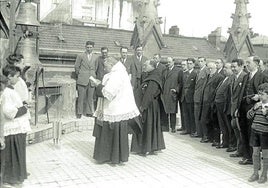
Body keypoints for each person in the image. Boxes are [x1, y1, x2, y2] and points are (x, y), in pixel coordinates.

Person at [92, 57, 140, 164]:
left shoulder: (116, 75)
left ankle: (108, 157)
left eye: (105, 66)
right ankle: (115, 156)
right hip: (117, 109)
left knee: (109, 134)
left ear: (111, 65)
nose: (104, 69)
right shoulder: (120, 72)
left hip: (114, 109)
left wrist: (98, 85)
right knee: (116, 135)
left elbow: (109, 93)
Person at [1, 66, 31, 186]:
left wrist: (22, 105)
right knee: (13, 154)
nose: (18, 79)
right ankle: (12, 178)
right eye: (17, 76)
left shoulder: (10, 89)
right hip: (13, 128)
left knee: (18, 153)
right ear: (9, 77)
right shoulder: (7, 92)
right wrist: (24, 109)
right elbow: (8, 111)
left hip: (18, 127)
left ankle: (17, 176)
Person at [131, 60, 166, 155]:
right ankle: (150, 147)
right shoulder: (150, 76)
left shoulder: (154, 78)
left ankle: (145, 148)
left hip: (149, 107)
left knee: (147, 126)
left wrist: (142, 107)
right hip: (149, 106)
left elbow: (149, 94)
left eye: (146, 65)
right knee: (149, 126)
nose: (144, 66)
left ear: (152, 66)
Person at [238, 56, 268, 165]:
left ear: (256, 63)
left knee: (253, 134)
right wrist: (238, 108)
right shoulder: (246, 76)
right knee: (244, 132)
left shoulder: (263, 76)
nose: (246, 64)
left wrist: (258, 97)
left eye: (248, 62)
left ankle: (255, 159)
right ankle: (247, 157)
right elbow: (241, 93)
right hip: (243, 108)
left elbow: (266, 92)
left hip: (255, 109)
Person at [247, 83, 268, 183]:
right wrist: (254, 108)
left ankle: (264, 175)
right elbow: (248, 116)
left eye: (262, 94)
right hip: (254, 130)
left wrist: (266, 113)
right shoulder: (257, 104)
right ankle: (255, 173)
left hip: (265, 133)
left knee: (265, 155)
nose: (260, 96)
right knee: (255, 153)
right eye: (259, 94)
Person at [199, 62, 224, 143]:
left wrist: (213, 102)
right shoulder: (208, 76)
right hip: (205, 102)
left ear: (215, 68)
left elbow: (217, 90)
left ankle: (214, 138)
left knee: (213, 121)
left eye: (211, 68)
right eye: (208, 68)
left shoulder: (219, 77)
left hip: (211, 102)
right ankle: (208, 137)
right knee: (205, 120)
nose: (210, 70)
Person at [75, 41, 98, 118]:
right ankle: (79, 112)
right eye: (87, 47)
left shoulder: (96, 57)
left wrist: (93, 75)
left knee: (90, 97)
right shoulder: (80, 55)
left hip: (92, 79)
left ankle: (88, 112)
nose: (89, 49)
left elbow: (96, 67)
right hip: (82, 79)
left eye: (90, 47)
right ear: (85, 47)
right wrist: (81, 75)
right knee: (81, 97)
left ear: (93, 48)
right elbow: (76, 67)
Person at [229, 59, 247, 157]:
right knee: (235, 128)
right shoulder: (233, 77)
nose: (233, 69)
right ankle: (239, 150)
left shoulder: (244, 77)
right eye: (232, 67)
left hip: (240, 109)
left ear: (240, 66)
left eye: (234, 67)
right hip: (233, 108)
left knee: (241, 130)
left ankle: (243, 151)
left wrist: (239, 109)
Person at [161, 57, 183, 133]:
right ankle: (165, 126)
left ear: (173, 62)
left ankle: (173, 127)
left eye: (169, 62)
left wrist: (176, 90)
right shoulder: (165, 70)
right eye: (167, 62)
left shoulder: (178, 71)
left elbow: (180, 83)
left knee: (172, 111)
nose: (168, 63)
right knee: (165, 110)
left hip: (172, 93)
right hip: (165, 93)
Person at [214, 62, 233, 149]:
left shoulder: (231, 79)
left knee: (227, 124)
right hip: (219, 104)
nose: (224, 69)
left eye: (226, 68)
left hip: (225, 105)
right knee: (222, 125)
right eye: (224, 67)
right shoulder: (224, 79)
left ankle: (229, 142)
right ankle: (225, 142)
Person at [182, 58, 197, 136]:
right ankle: (187, 129)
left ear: (194, 64)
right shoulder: (185, 73)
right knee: (185, 114)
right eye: (188, 63)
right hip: (184, 96)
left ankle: (192, 130)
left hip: (190, 97)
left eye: (190, 63)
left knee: (191, 114)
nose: (189, 65)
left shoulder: (195, 74)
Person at [194, 57, 208, 137]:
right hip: (196, 96)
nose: (200, 62)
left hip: (201, 97)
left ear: (205, 62)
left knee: (200, 116)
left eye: (202, 61)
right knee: (196, 115)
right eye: (199, 61)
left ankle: (202, 133)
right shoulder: (199, 71)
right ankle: (198, 132)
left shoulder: (206, 70)